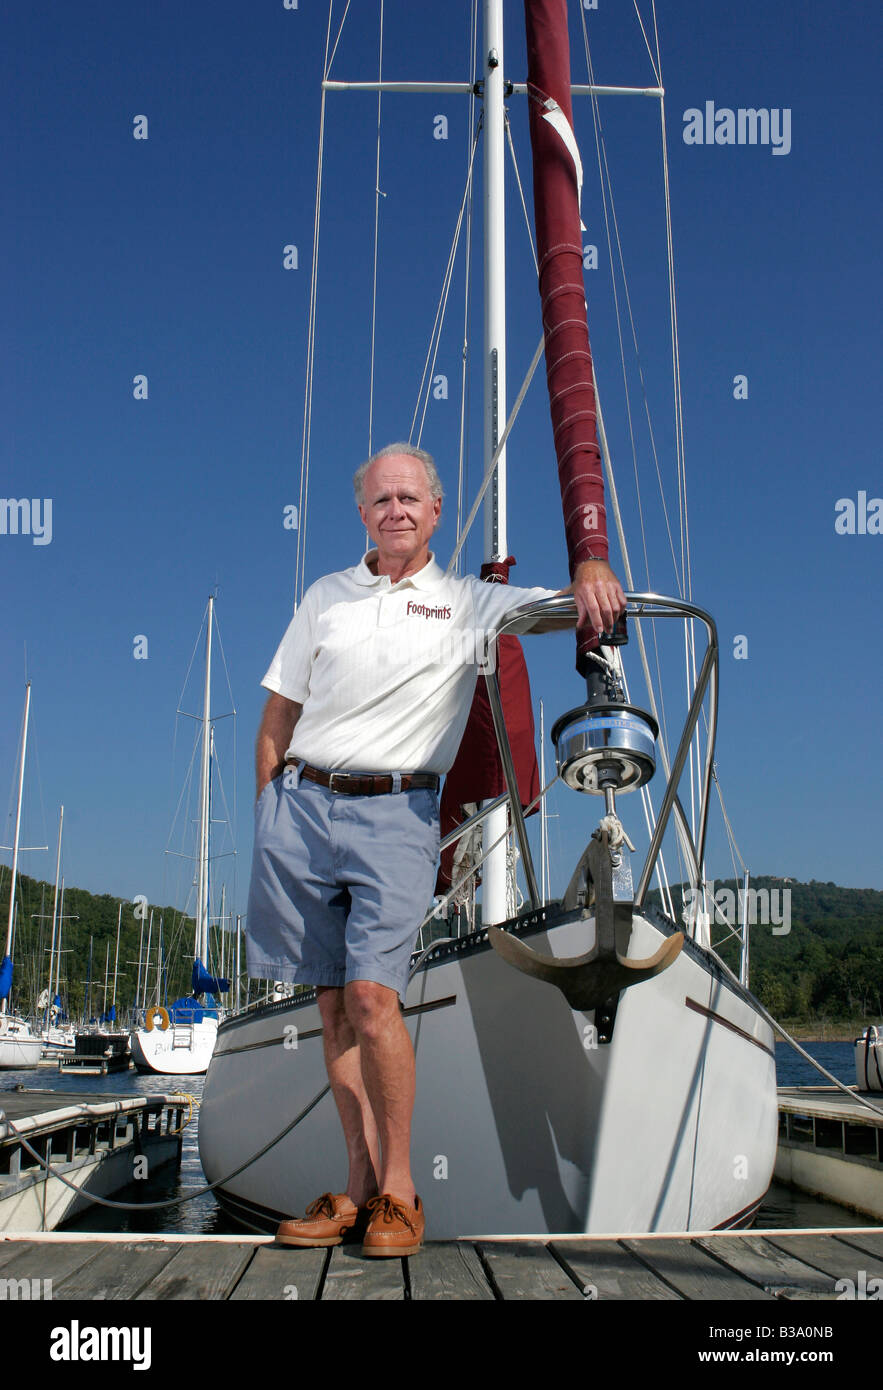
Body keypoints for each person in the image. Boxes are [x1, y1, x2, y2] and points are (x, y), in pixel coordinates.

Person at [246, 442, 626, 1256]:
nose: (395, 511)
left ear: (435, 511)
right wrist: (269, 810)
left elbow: (558, 607)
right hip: (302, 808)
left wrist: (591, 569)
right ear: (361, 513)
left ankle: (400, 1192)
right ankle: (353, 1189)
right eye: (380, 500)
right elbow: (277, 714)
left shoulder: (463, 603)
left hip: (395, 812)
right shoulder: (325, 597)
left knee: (376, 1000)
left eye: (409, 499)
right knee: (330, 1005)